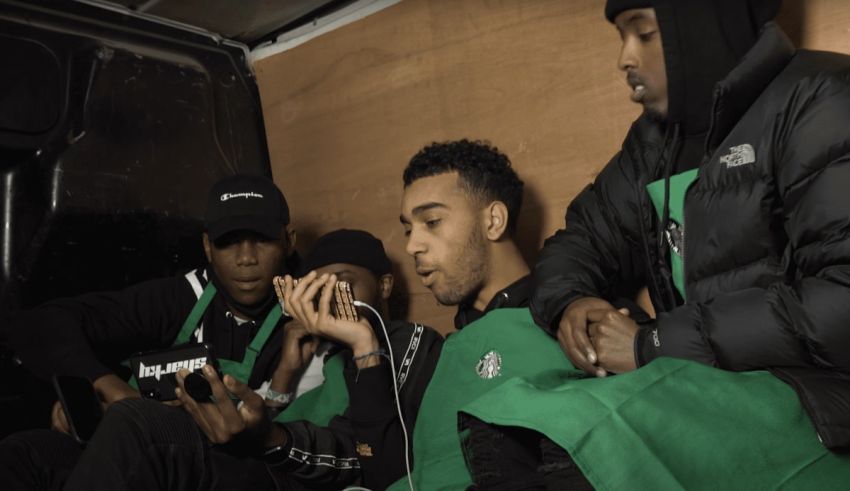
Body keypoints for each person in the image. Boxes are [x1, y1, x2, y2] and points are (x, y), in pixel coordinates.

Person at [460, 0, 850, 488]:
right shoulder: (652, 144)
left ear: (702, 25)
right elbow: (577, 243)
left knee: (582, 445)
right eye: (621, 37)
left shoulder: (822, 97)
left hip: (820, 399)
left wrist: (654, 343)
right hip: (704, 382)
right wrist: (572, 302)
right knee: (507, 429)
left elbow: (840, 306)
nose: (625, 58)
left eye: (642, 34)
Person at [11, 228, 441, 491]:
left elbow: (369, 457)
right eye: (317, 285)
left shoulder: (402, 341)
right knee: (30, 453)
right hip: (260, 455)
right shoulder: (304, 343)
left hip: (292, 475)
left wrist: (363, 345)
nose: (328, 298)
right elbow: (264, 413)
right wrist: (286, 372)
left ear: (385, 286)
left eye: (343, 284)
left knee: (139, 424)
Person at [284, 139, 581, 490]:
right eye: (409, 229)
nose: (412, 246)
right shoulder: (440, 357)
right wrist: (365, 346)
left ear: (494, 221)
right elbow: (387, 476)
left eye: (432, 221)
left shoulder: (571, 317)